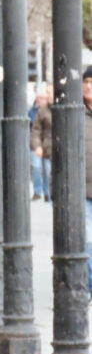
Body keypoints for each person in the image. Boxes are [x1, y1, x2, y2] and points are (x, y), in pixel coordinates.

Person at [31, 84, 54, 202]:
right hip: (47, 148)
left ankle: (49, 193)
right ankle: (47, 194)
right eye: (47, 92)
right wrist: (37, 146)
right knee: (47, 172)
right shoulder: (43, 110)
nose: (47, 95)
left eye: (49, 92)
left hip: (60, 148)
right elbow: (36, 130)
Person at [83, 66, 92, 294]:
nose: (89, 87)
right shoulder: (74, 111)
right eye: (86, 82)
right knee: (88, 240)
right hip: (81, 189)